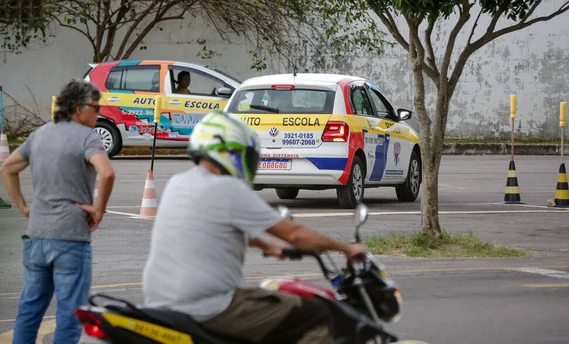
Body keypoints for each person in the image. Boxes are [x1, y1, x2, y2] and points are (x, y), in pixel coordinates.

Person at [142, 110, 367, 344]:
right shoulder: (228, 189)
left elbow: (207, 228)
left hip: (159, 301)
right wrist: (346, 248)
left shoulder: (178, 182)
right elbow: (295, 234)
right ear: (230, 151)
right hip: (209, 306)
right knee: (317, 314)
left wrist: (263, 244)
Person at [0, 80, 115, 344]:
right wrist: (98, 209)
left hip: (37, 237)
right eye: (95, 108)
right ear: (78, 109)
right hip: (70, 238)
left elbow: (7, 169)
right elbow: (107, 172)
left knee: (29, 310)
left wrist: (23, 207)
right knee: (70, 314)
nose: (99, 114)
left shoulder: (40, 134)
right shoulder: (87, 137)